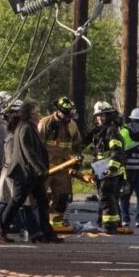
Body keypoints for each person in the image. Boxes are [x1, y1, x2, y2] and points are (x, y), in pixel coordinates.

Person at [0, 102, 60, 243]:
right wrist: (40, 169)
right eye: (36, 112)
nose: (39, 115)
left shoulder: (29, 127)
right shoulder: (25, 128)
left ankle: (46, 233)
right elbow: (28, 151)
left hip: (31, 174)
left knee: (42, 201)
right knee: (16, 202)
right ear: (30, 114)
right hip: (24, 173)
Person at [36, 96, 82, 226]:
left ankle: (56, 223)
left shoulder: (72, 125)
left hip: (63, 166)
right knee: (40, 197)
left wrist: (77, 159)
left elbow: (77, 145)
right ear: (59, 111)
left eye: (71, 115)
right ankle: (39, 222)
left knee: (63, 197)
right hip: (46, 166)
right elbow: (35, 145)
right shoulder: (45, 123)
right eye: (67, 115)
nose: (69, 118)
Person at [85, 101, 126, 234]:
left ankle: (109, 226)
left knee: (106, 197)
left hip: (109, 171)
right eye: (98, 116)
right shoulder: (100, 131)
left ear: (108, 116)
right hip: (101, 170)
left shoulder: (111, 131)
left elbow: (117, 150)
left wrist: (112, 168)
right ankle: (105, 222)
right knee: (108, 197)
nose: (99, 118)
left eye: (102, 116)